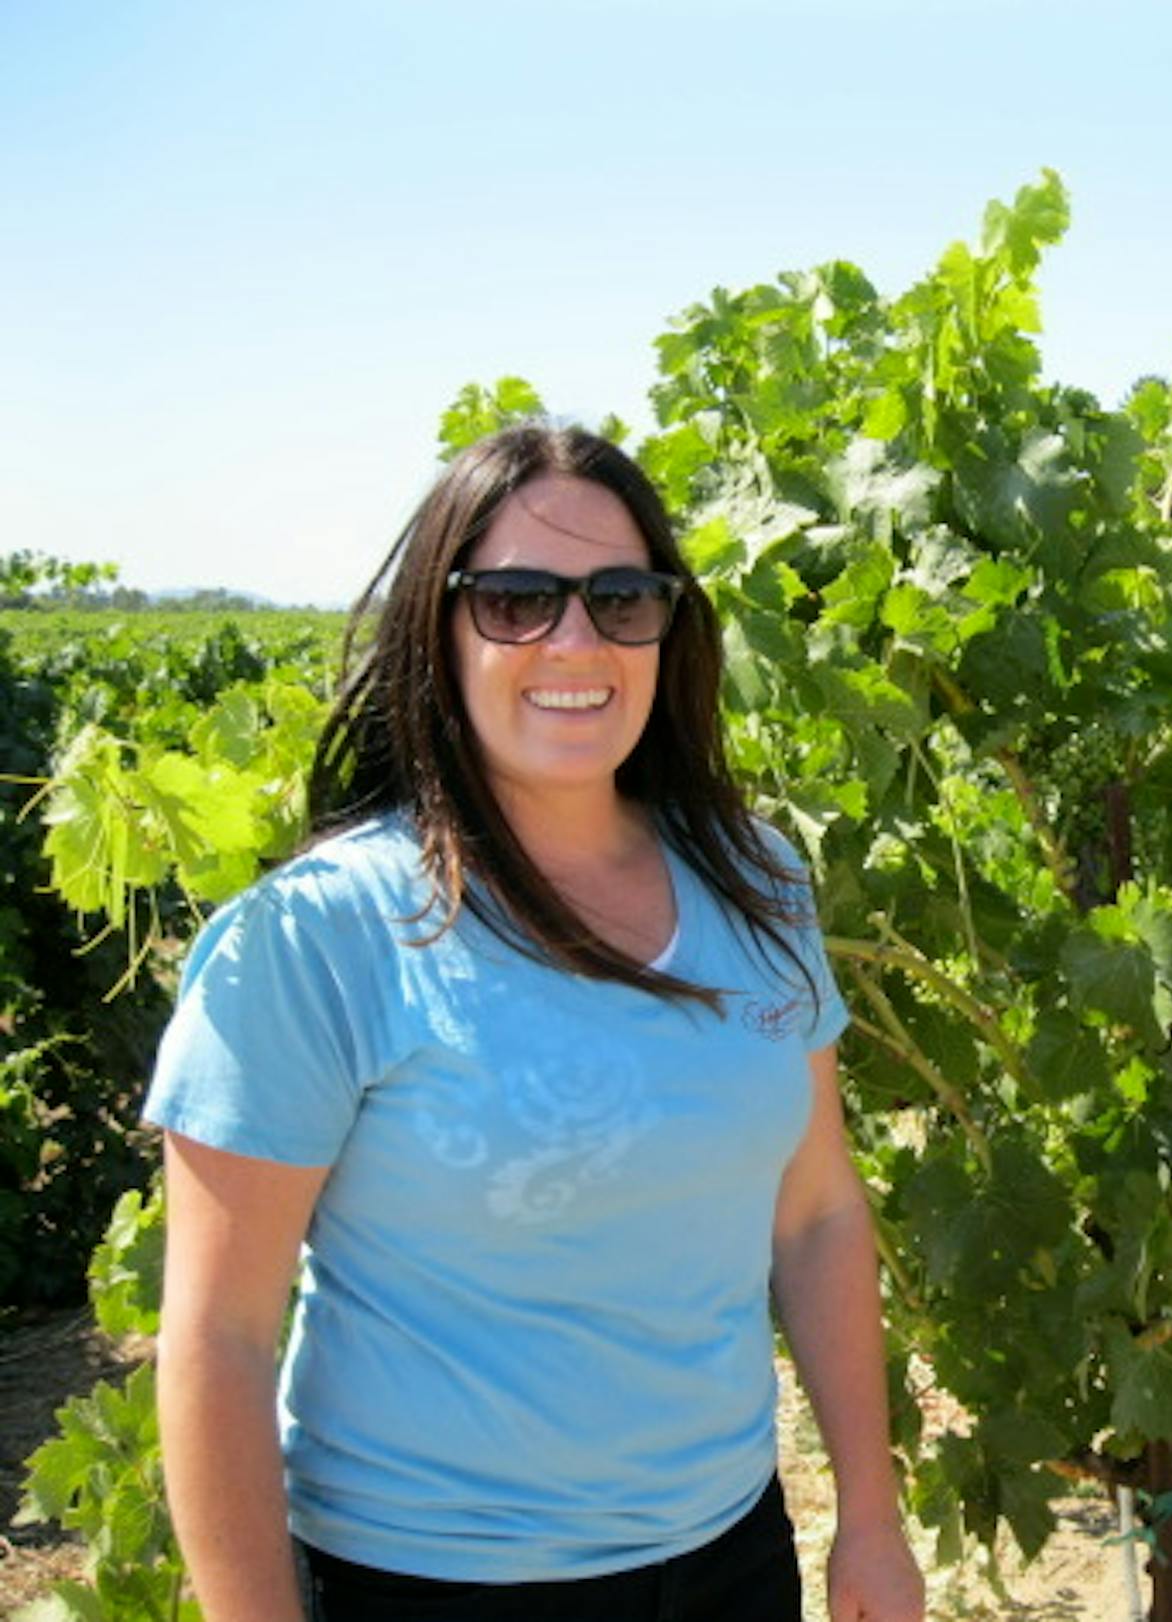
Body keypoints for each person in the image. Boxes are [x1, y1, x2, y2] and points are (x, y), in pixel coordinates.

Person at [146, 425, 926, 1622]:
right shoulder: (317, 936)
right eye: (515, 600)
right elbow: (219, 1340)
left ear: (671, 626)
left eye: (622, 599)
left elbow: (816, 1210)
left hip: (730, 1553)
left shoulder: (753, 878)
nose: (575, 640)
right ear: (439, 627)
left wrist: (868, 1515)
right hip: (436, 1583)